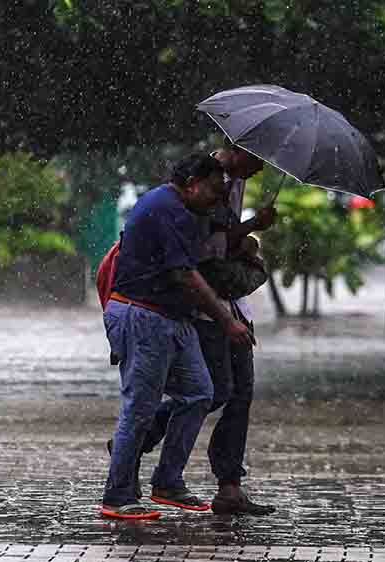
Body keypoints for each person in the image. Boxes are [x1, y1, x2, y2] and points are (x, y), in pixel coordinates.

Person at [101, 153, 253, 520]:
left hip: (172, 318)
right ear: (192, 183)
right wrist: (226, 321)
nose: (217, 200)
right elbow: (185, 274)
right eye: (214, 192)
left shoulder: (186, 211)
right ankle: (117, 497)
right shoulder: (166, 207)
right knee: (139, 406)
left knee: (202, 392)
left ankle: (167, 481)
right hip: (143, 316)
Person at [138, 140, 277, 516]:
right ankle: (140, 437)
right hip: (207, 306)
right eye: (258, 158)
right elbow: (201, 248)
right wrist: (250, 228)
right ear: (237, 148)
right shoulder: (203, 182)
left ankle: (229, 487)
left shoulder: (236, 181)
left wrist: (247, 237)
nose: (262, 168)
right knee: (213, 391)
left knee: (241, 393)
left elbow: (223, 245)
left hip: (233, 302)